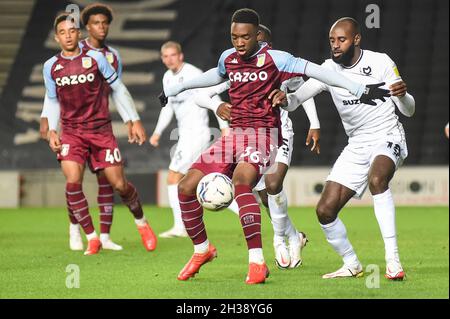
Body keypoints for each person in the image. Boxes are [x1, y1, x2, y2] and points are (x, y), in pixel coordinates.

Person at [160, 9, 389, 284]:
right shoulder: (228, 58)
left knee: (242, 183)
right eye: (234, 37)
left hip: (263, 135)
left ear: (257, 35)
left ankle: (257, 261)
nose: (239, 43)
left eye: (245, 37)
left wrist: (359, 89)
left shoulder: (277, 59)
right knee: (186, 186)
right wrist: (176, 89)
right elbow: (214, 75)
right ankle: (202, 249)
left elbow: (318, 72)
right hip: (234, 136)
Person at [274, 17, 415, 280]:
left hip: (388, 135)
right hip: (357, 143)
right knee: (324, 211)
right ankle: (351, 263)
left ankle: (393, 260)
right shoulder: (327, 69)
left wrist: (403, 96)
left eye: (342, 40)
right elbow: (295, 101)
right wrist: (285, 100)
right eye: (332, 40)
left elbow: (409, 110)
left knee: (377, 180)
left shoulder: (381, 62)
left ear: (356, 39)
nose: (336, 45)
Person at [193, 24, 318, 269]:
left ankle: (279, 240)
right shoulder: (236, 70)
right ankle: (294, 236)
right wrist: (215, 106)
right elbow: (201, 94)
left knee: (273, 185)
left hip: (278, 135)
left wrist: (314, 124)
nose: (244, 45)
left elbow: (304, 92)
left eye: (256, 40)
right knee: (263, 196)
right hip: (248, 138)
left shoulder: (279, 66)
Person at [43, 13, 157, 255]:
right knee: (73, 181)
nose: (68, 36)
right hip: (72, 132)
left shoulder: (97, 58)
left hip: (101, 131)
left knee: (119, 184)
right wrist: (52, 128)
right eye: (62, 32)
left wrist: (133, 120)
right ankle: (91, 236)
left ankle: (141, 222)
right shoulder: (50, 66)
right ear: (57, 37)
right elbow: (52, 100)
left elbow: (118, 88)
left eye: (72, 31)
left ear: (79, 34)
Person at [150, 41, 229, 238]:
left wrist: (224, 127)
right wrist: (158, 132)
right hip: (186, 134)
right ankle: (243, 205)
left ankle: (180, 226)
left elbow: (215, 100)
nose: (169, 59)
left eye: (173, 55)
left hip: (197, 133)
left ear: (181, 56)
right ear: (162, 59)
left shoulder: (194, 74)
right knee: (204, 178)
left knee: (173, 176)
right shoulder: (167, 77)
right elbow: (167, 107)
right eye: (165, 56)